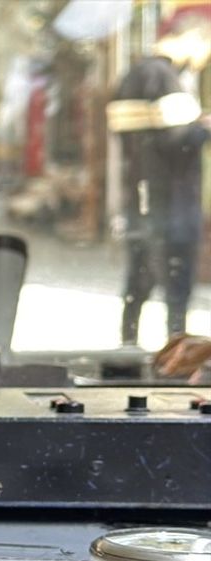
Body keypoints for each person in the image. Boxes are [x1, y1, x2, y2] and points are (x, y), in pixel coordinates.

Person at [108, 10, 211, 345]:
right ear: (195, 39)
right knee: (176, 282)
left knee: (139, 276)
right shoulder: (163, 77)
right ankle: (175, 349)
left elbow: (135, 139)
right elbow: (173, 141)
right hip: (173, 199)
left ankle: (127, 345)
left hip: (143, 196)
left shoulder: (133, 75)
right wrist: (202, 129)